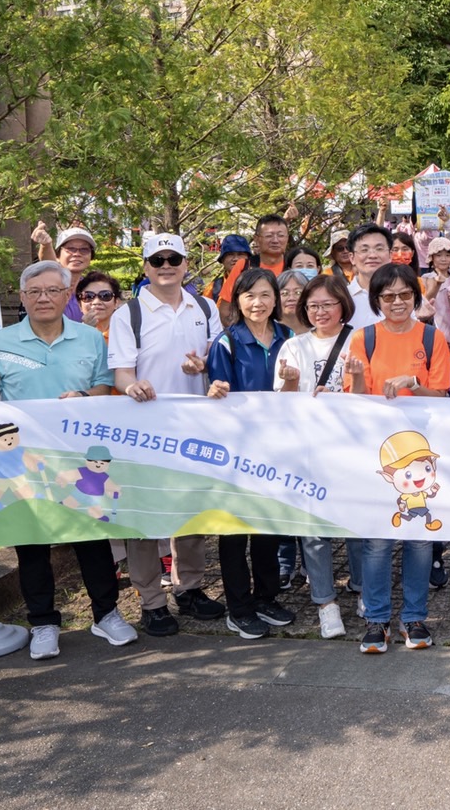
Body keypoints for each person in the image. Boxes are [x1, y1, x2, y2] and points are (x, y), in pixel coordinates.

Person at [0, 261, 137, 659]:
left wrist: (84, 398)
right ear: (23, 298)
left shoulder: (90, 338)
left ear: (67, 296)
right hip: (25, 463)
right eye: (34, 292)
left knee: (92, 539)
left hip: (78, 461)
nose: (43, 298)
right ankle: (43, 623)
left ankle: (106, 613)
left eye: (52, 290)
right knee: (32, 543)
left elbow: (103, 386)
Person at [107, 232, 227, 635]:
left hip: (195, 428)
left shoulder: (205, 307)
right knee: (146, 516)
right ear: (145, 267)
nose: (165, 266)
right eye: (156, 260)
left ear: (186, 263)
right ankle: (151, 601)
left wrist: (204, 369)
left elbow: (216, 361)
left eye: (173, 258)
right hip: (144, 430)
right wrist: (130, 386)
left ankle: (189, 587)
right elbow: (123, 371)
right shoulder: (130, 314)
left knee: (191, 511)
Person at [345, 263, 450, 654]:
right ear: (376, 300)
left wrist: (414, 383)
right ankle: (376, 621)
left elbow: (442, 396)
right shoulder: (364, 339)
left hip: (422, 451)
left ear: (415, 296)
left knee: (420, 541)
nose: (396, 302)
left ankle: (414, 618)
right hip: (380, 452)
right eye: (387, 296)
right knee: (377, 541)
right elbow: (355, 399)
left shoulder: (431, 336)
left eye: (404, 295)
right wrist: (357, 376)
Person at [205, 268, 295, 640]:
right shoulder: (226, 342)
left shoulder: (289, 337)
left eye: (264, 295)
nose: (257, 303)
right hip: (237, 453)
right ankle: (238, 607)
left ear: (276, 299)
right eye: (249, 296)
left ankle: (266, 597)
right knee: (234, 531)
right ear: (237, 301)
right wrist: (216, 391)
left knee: (268, 529)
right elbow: (216, 393)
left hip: (278, 450)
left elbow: (298, 392)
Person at [274, 272, 356, 638]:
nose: (320, 311)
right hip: (308, 449)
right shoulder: (293, 347)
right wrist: (292, 381)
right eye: (313, 306)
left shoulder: (361, 340)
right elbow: (281, 406)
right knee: (313, 529)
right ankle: (326, 602)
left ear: (343, 305)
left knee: (357, 523)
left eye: (328, 304)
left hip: (352, 447)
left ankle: (365, 589)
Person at [31, 223, 97, 323]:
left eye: (84, 250)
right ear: (58, 255)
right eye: (70, 249)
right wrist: (46, 245)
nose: (77, 254)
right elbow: (49, 265)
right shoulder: (52, 287)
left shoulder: (92, 289)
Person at [344, 223, 392, 328]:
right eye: (364, 250)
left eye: (379, 249)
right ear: (352, 258)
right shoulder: (342, 299)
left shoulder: (405, 296)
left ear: (390, 255)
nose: (372, 255)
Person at [74, 271, 123, 342]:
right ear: (80, 305)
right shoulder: (69, 337)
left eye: (105, 295)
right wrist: (85, 330)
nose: (96, 302)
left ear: (116, 302)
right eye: (88, 296)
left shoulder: (127, 334)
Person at [276, 268, 310, 336]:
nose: (291, 298)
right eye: (285, 293)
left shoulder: (319, 328)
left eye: (298, 292)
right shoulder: (269, 331)